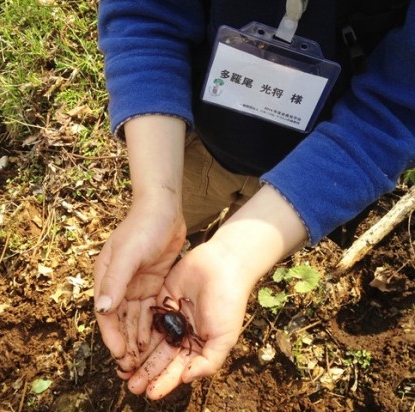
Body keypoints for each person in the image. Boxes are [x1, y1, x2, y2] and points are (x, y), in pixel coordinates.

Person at [93, 0, 415, 400]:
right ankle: (183, 238)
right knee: (186, 210)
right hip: (198, 141)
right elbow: (147, 14)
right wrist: (157, 199)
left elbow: (397, 110)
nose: (175, 330)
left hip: (306, 170)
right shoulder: (173, 317)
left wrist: (236, 256)